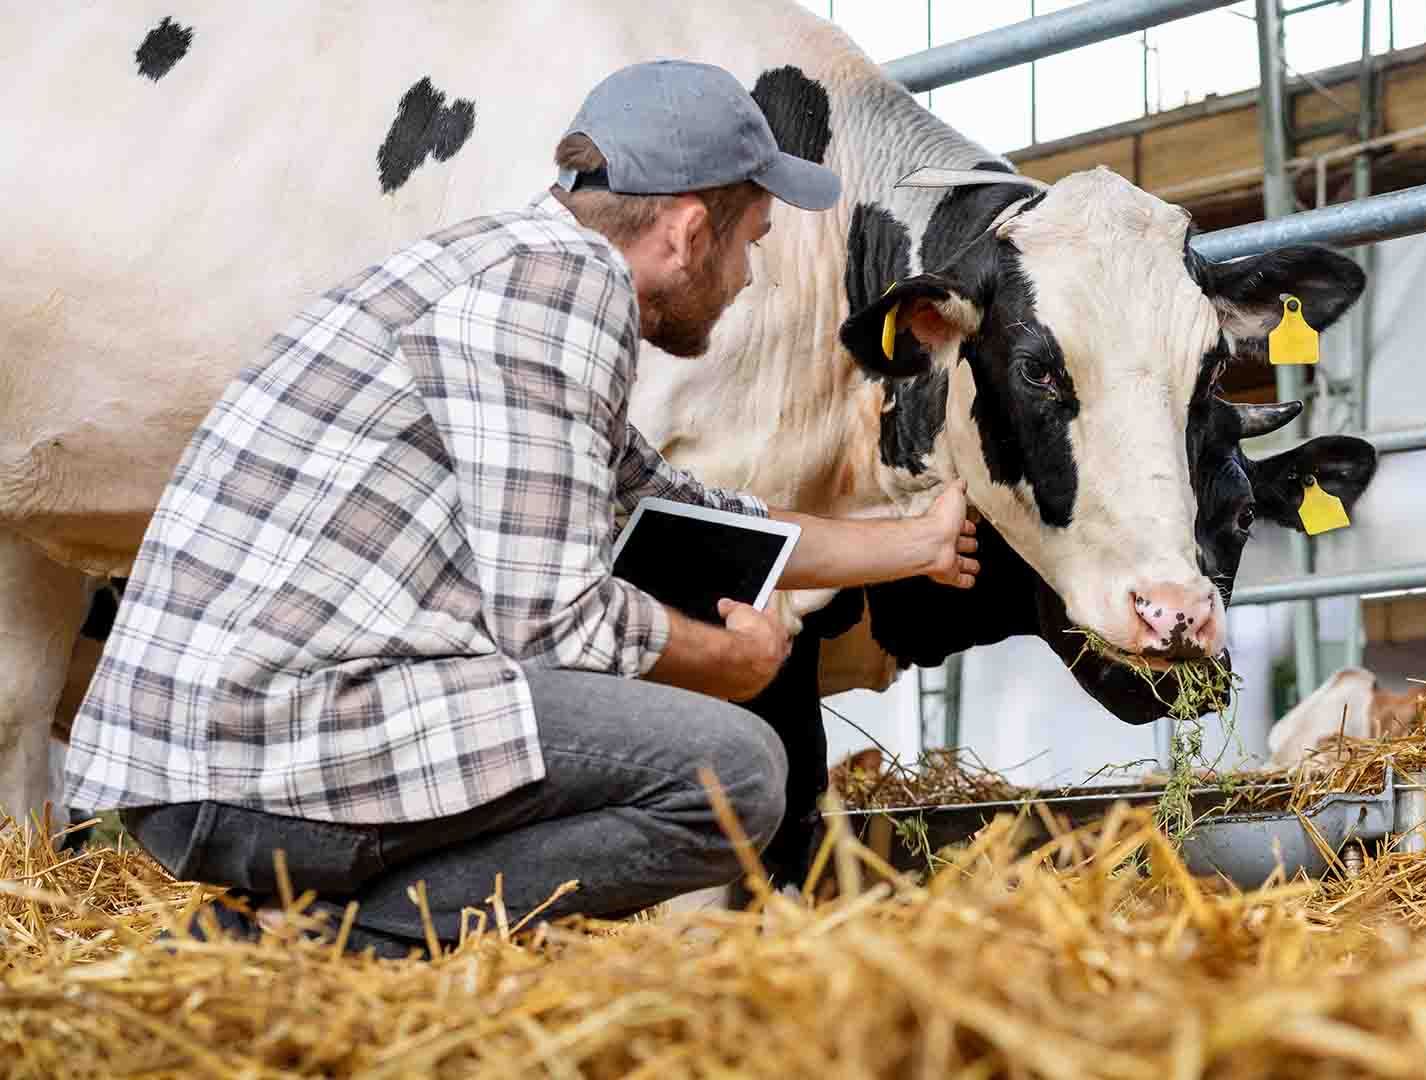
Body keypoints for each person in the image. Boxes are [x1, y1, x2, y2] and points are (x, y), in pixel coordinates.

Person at [62, 61, 978, 957]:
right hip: (257, 747)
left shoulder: (507, 266)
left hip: (223, 742)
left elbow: (696, 514)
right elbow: (553, 621)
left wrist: (915, 543)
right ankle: (319, 941)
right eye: (751, 241)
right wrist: (725, 660)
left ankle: (295, 923)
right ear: (691, 231)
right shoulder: (563, 292)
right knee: (732, 774)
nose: (745, 278)